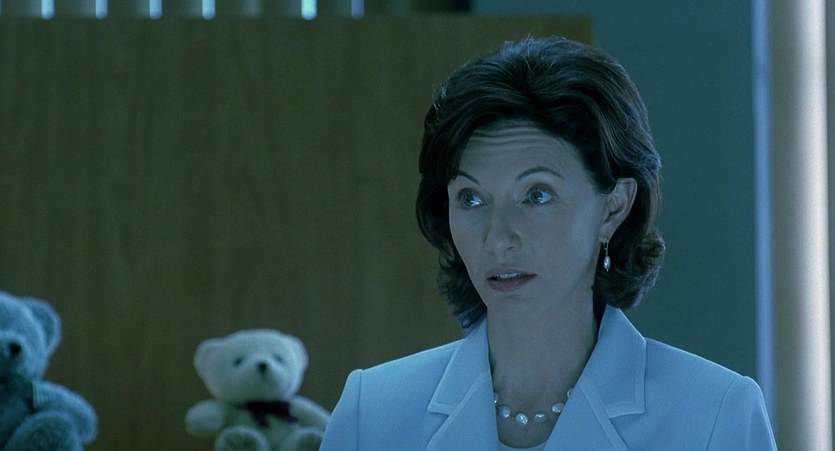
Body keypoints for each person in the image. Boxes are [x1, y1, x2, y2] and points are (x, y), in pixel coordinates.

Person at [320, 36, 776, 450]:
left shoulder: (714, 415)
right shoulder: (371, 413)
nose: (498, 237)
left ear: (613, 207)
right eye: (471, 198)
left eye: (537, 195)